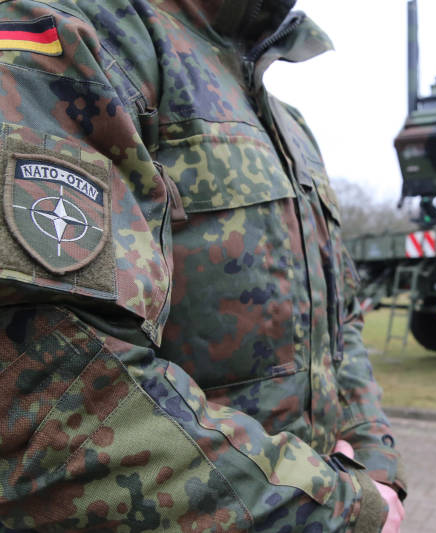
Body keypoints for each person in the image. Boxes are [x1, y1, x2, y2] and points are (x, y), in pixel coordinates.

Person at [0, 0, 406, 531]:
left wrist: (375, 466)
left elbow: (341, 322)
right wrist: (337, 511)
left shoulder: (289, 127)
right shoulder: (79, 31)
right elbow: (43, 390)